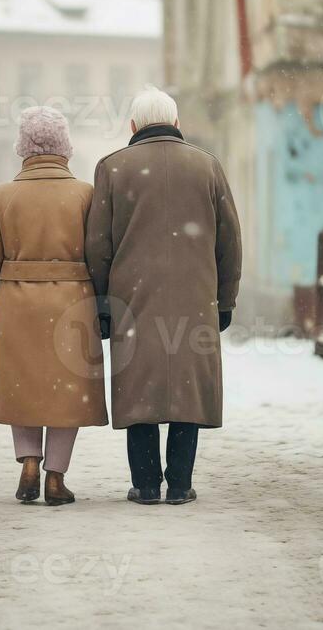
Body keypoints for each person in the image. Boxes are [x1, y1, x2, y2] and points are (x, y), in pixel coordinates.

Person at [85, 86, 242, 506]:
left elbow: (97, 244)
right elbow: (229, 241)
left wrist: (100, 303)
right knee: (187, 390)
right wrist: (224, 299)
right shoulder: (207, 167)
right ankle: (180, 484)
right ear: (176, 123)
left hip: (133, 301)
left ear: (133, 126)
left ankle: (147, 485)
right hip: (195, 298)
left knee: (140, 390)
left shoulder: (113, 168)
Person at [0, 106, 108, 506]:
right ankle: (55, 476)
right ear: (65, 147)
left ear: (23, 147)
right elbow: (100, 255)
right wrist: (103, 303)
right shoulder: (86, 194)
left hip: (15, 303)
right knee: (67, 391)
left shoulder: (0, 196)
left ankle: (29, 461)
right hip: (73, 303)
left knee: (23, 384)